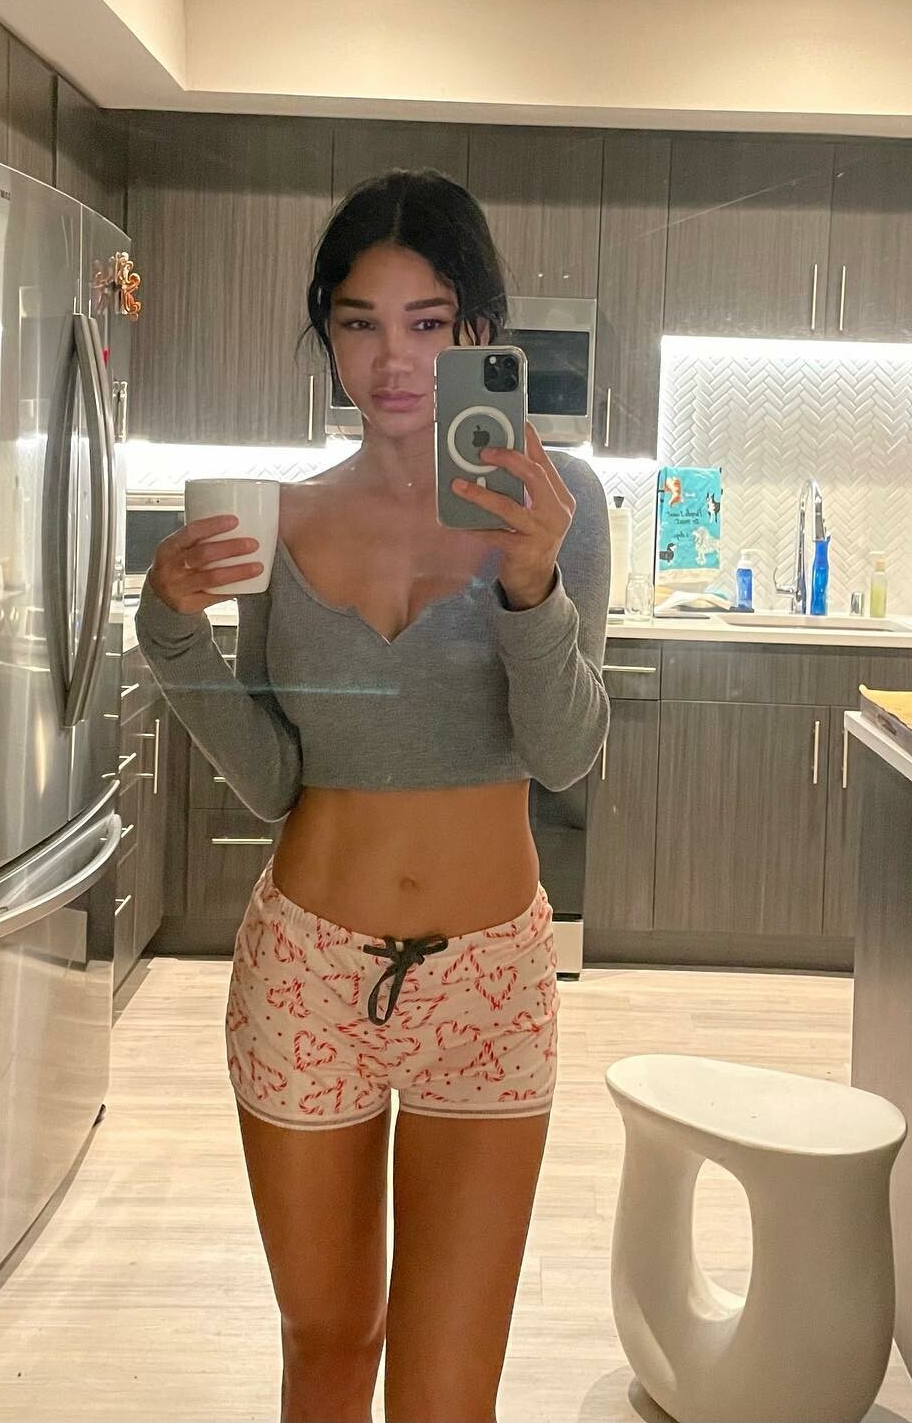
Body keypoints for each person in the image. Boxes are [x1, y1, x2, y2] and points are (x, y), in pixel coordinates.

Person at [134, 168, 610, 1423]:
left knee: (449, 1395)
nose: (393, 358)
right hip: (305, 969)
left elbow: (565, 753)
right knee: (330, 1347)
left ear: (479, 330)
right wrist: (169, 629)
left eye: (427, 321)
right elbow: (272, 779)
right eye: (359, 321)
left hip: (491, 984)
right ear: (328, 336)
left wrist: (532, 586)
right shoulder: (282, 520)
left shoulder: (558, 509)